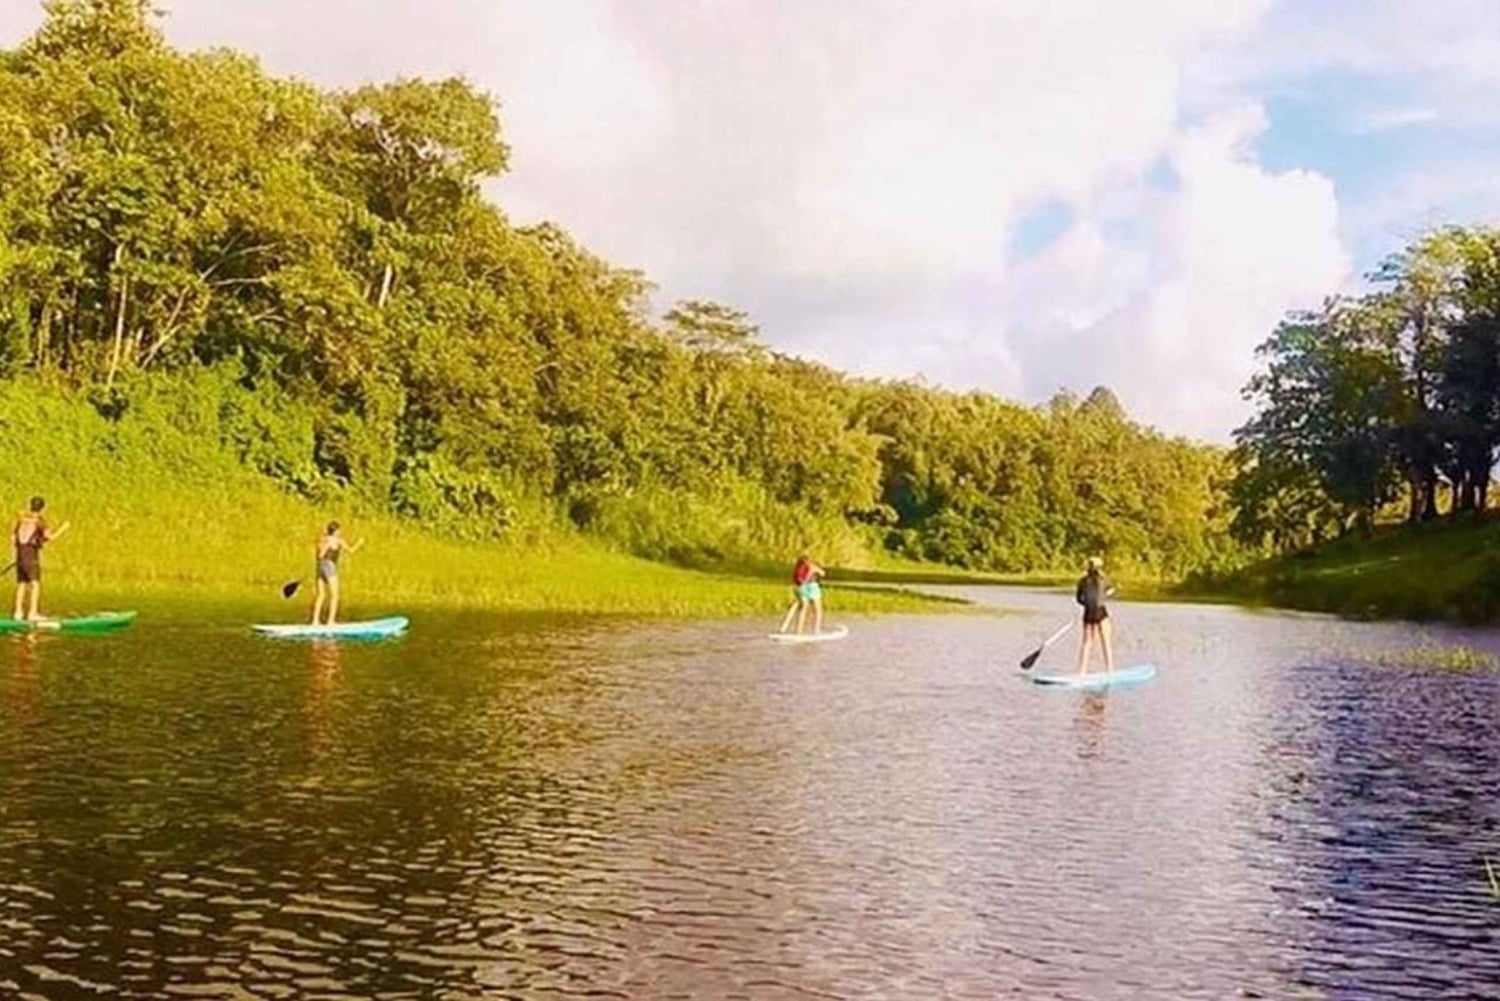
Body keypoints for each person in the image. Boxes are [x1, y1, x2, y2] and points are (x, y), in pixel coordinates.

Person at [12, 496, 69, 622]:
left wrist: (20, 553)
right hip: (31, 555)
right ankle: (33, 613)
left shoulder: (21, 519)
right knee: (35, 584)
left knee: (21, 583)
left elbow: (13, 538)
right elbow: (50, 537)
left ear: (30, 505)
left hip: (20, 554)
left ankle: (18, 613)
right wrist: (63, 529)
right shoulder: (40, 522)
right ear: (42, 508)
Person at [310, 521, 364, 626]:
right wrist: (359, 543)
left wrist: (323, 546)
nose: (340, 532)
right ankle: (331, 621)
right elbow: (350, 550)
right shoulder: (337, 540)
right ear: (335, 531)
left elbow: (319, 556)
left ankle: (315, 621)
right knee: (335, 595)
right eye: (339, 530)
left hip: (319, 567)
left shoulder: (322, 539)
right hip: (329, 566)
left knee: (321, 595)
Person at [1075, 555, 1114, 674]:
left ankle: (1081, 672)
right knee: (1106, 642)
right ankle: (1110, 670)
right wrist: (1108, 593)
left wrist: (1086, 605)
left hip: (1088, 614)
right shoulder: (1103, 579)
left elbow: (1079, 599)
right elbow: (1110, 590)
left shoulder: (1081, 581)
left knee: (1086, 643)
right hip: (1100, 612)